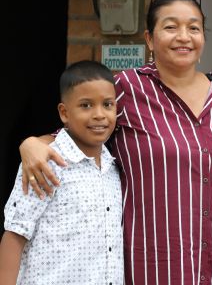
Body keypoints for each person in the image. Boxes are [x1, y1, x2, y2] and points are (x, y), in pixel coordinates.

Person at [18, 0, 212, 284]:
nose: (184, 36)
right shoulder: (127, 88)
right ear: (149, 39)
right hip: (145, 266)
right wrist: (31, 143)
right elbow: (74, 137)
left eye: (193, 28)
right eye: (171, 27)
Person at [0, 60, 123, 284]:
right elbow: (15, 234)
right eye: (86, 105)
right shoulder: (44, 162)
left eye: (107, 104)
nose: (99, 114)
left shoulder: (114, 166)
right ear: (64, 113)